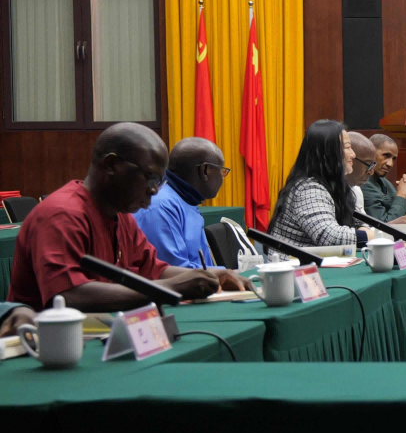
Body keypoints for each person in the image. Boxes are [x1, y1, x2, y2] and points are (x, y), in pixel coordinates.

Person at [6, 123, 251, 311]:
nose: (155, 190)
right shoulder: (61, 214)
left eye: (160, 181)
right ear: (112, 165)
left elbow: (155, 270)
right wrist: (167, 288)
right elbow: (68, 295)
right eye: (151, 178)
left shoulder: (122, 216)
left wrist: (212, 275)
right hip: (44, 347)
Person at [267, 120, 375, 250]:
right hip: (295, 262)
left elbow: (359, 221)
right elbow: (330, 237)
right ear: (329, 153)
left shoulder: (337, 185)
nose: (353, 154)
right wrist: (370, 236)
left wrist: (364, 229)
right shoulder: (308, 189)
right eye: (347, 147)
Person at [133, 137, 230, 268]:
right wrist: (221, 274)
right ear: (205, 170)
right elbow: (173, 271)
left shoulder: (187, 199)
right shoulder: (161, 207)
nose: (222, 178)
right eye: (222, 171)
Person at [362, 134, 406, 223]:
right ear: (370, 152)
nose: (390, 164)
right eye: (386, 155)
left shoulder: (385, 182)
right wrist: (402, 194)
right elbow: (385, 226)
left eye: (394, 159)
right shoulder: (362, 183)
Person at [346, 132, 377, 214]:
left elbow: (361, 221)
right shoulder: (320, 190)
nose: (371, 172)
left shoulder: (356, 190)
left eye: (373, 165)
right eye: (368, 164)